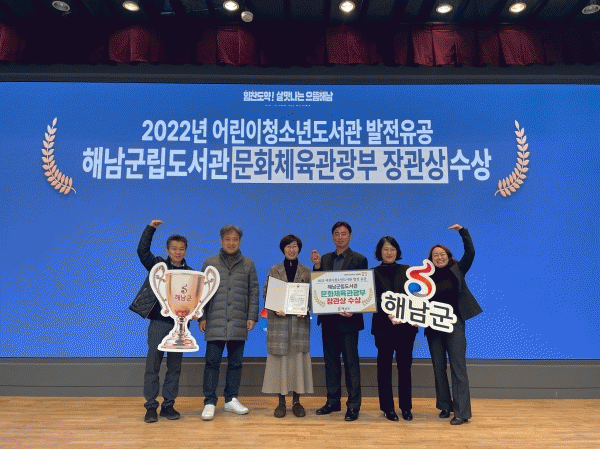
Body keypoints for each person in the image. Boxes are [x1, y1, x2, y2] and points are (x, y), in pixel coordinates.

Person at [129, 219, 192, 423]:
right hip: (158, 323)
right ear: (167, 250)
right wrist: (150, 229)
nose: (177, 252)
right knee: (153, 366)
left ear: (185, 251)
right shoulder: (158, 266)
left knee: (174, 368)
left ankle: (168, 405)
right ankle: (150, 406)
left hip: (179, 327)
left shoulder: (191, 273)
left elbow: (195, 300)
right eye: (174, 248)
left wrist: (196, 314)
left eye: (181, 249)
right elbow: (142, 252)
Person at [199, 225, 259, 421]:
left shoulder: (248, 264)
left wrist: (251, 316)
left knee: (236, 363)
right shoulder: (210, 263)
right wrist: (202, 317)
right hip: (215, 320)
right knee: (212, 363)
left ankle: (231, 399)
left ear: (239, 241)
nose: (231, 243)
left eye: (235, 239)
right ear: (221, 241)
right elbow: (201, 293)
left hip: (238, 320)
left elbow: (253, 292)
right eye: (228, 239)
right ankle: (209, 402)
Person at [425, 224, 483, 425]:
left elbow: (470, 252)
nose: (439, 257)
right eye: (435, 255)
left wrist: (463, 232)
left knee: (458, 368)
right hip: (433, 327)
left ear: (448, 256)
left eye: (442, 254)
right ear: (431, 259)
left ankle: (462, 412)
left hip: (454, 324)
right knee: (438, 368)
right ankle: (445, 406)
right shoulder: (426, 277)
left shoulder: (457, 269)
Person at [310, 221, 367, 422]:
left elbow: (362, 289)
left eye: (344, 233)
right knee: (331, 364)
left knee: (351, 364)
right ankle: (333, 401)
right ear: (332, 237)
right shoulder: (325, 258)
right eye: (336, 233)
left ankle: (353, 405)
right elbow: (319, 285)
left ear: (350, 236)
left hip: (349, 321)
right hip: (328, 321)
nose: (340, 237)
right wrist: (317, 266)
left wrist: (355, 308)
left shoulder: (359, 259)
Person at [261, 235, 314, 418]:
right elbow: (267, 293)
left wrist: (307, 308)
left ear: (299, 249)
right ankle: (281, 402)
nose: (292, 250)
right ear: (283, 249)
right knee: (281, 364)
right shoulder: (274, 270)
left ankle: (297, 402)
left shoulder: (306, 271)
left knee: (298, 363)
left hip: (299, 324)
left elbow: (313, 296)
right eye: (288, 246)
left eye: (295, 246)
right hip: (280, 324)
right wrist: (276, 308)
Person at [371, 236, 419, 422]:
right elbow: (372, 300)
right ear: (380, 252)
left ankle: (406, 407)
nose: (389, 253)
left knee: (405, 369)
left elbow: (416, 296)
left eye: (392, 249)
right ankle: (387, 408)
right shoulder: (373, 273)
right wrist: (388, 314)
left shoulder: (408, 271)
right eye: (385, 249)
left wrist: (416, 316)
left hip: (406, 329)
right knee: (384, 369)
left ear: (397, 251)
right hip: (383, 328)